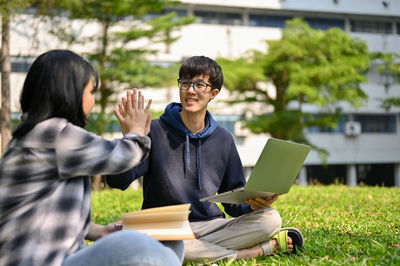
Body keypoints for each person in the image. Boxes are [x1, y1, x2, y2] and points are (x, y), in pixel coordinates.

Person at [107, 56, 304, 262]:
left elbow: (233, 202)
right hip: (164, 227)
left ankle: (192, 251)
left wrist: (253, 206)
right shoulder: (153, 131)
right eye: (185, 83)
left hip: (211, 225)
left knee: (271, 219)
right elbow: (117, 182)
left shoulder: (224, 139)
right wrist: (130, 140)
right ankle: (251, 252)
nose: (190, 90)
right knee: (157, 245)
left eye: (199, 85)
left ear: (213, 93)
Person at [0, 50, 183, 266]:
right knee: (134, 243)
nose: (93, 102)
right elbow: (120, 157)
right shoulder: (54, 133)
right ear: (70, 93)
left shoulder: (32, 135)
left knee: (172, 241)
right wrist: (136, 132)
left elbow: (46, 214)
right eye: (90, 92)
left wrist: (99, 231)